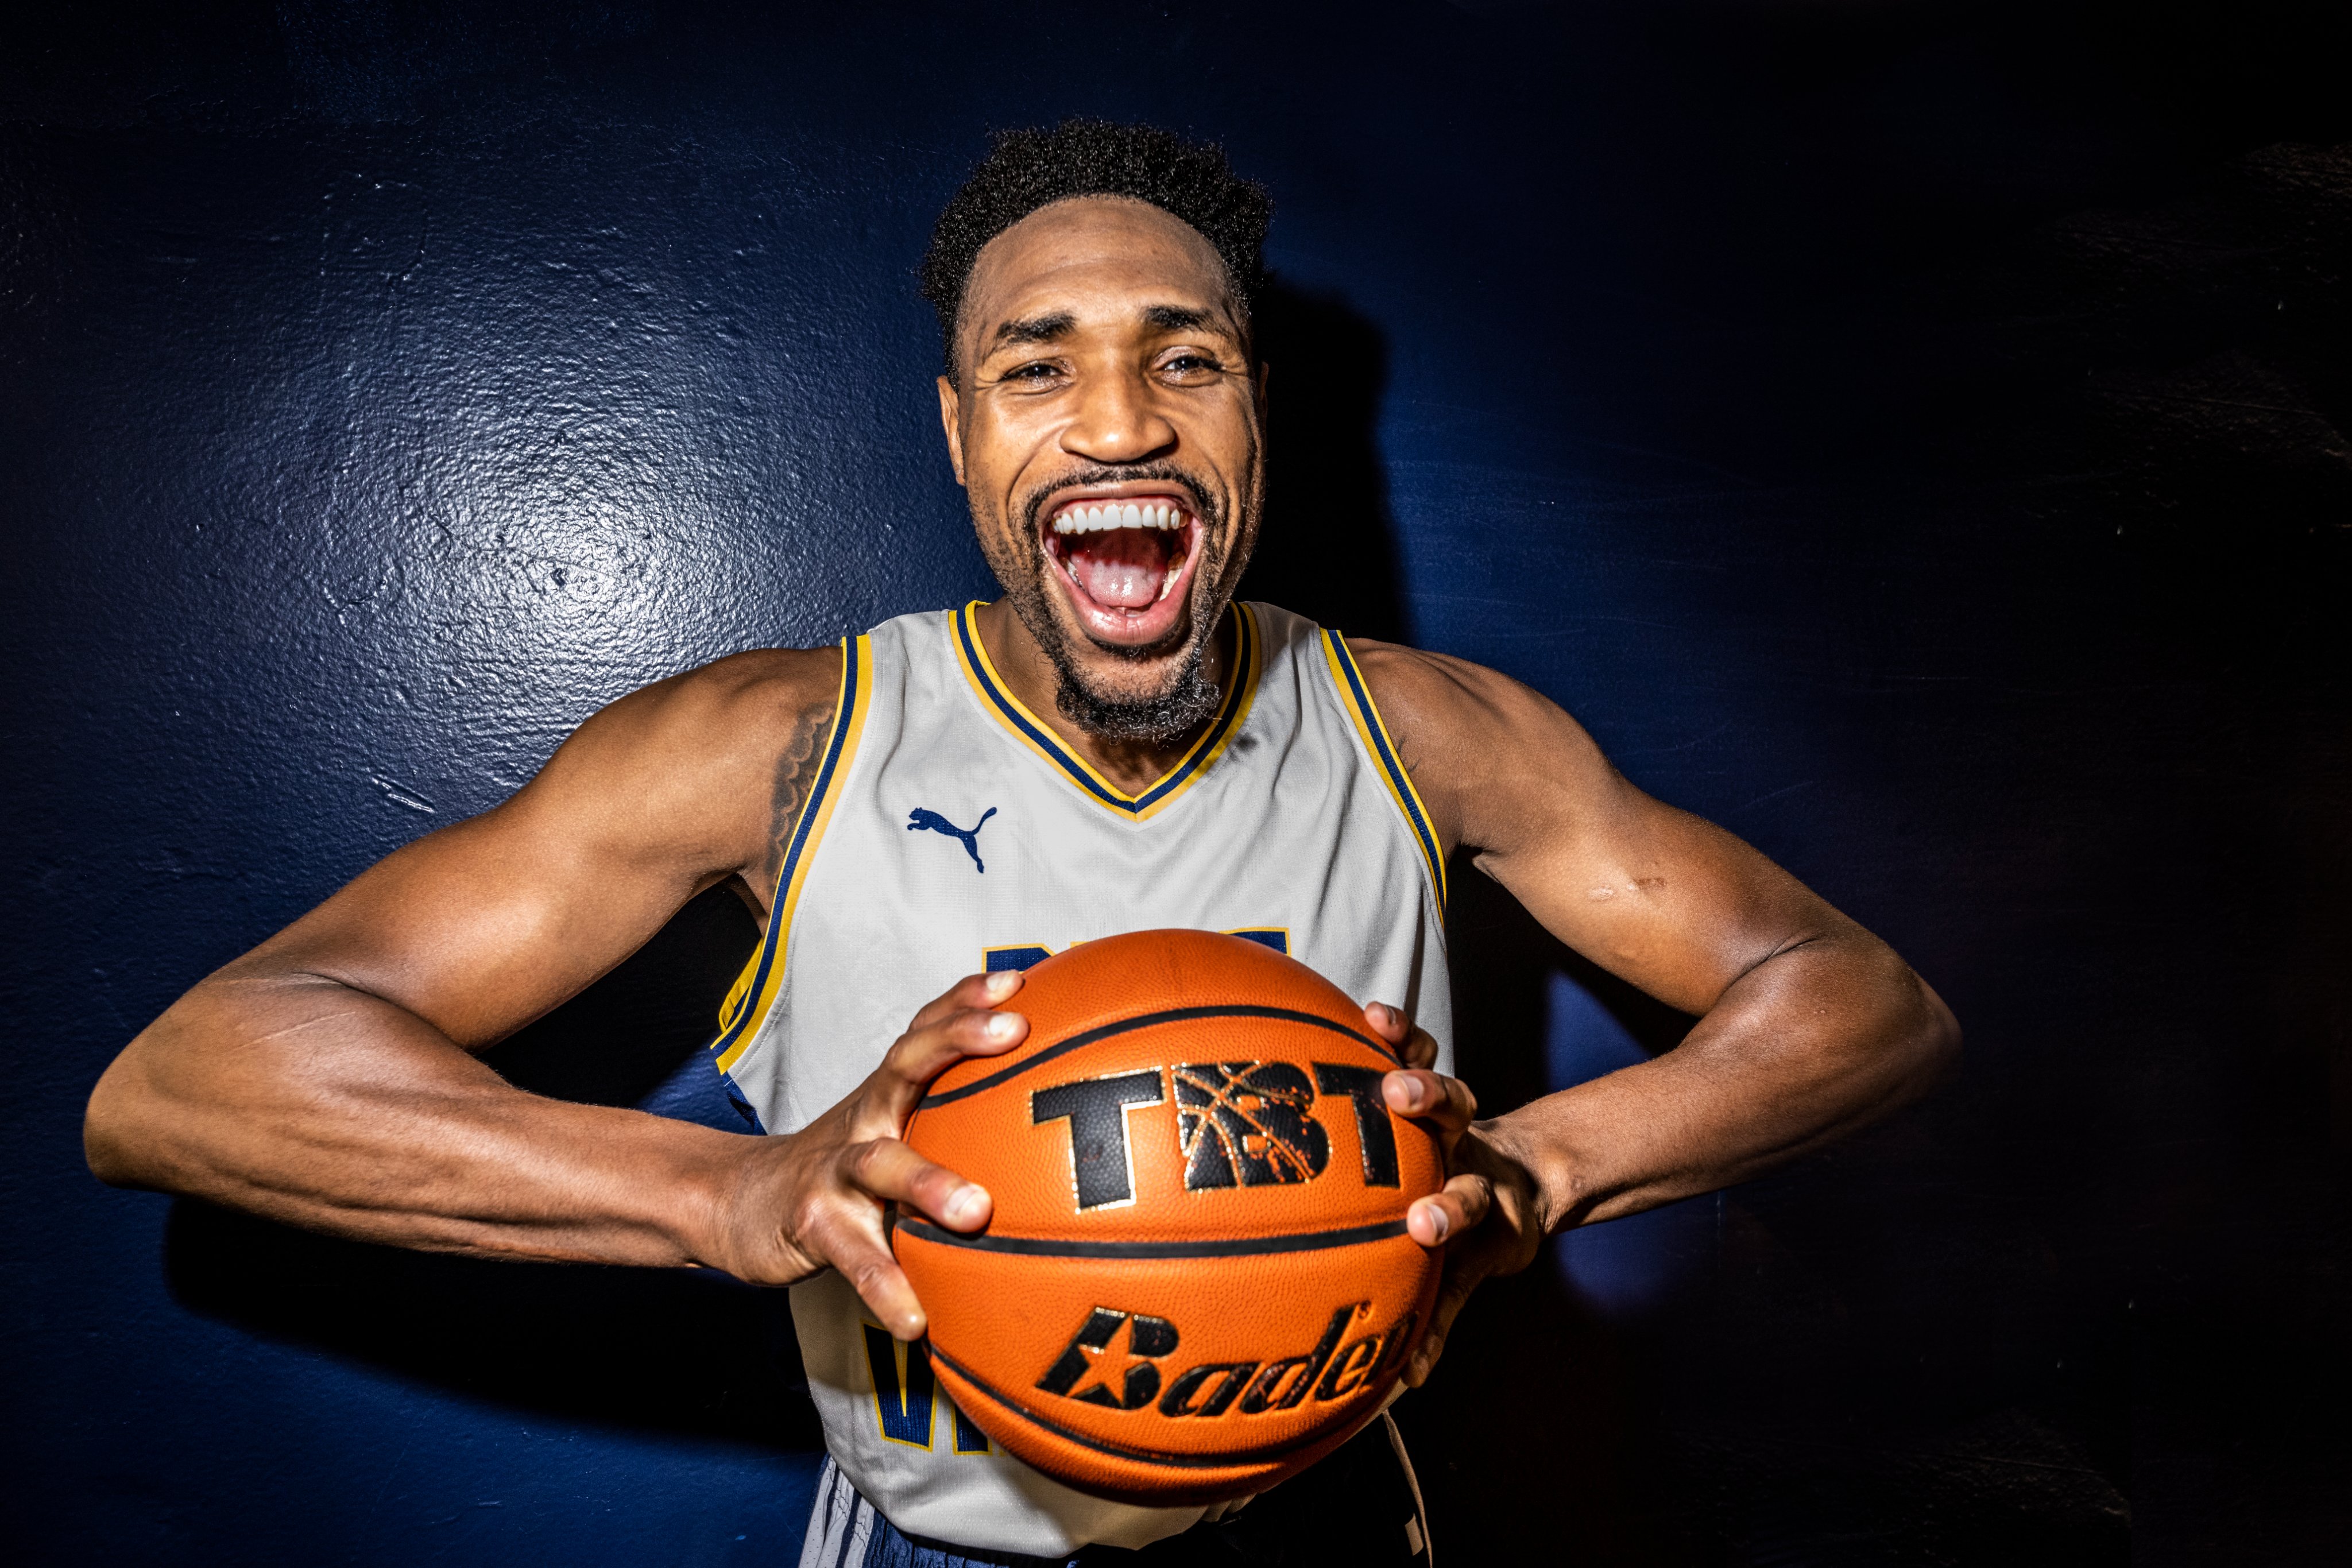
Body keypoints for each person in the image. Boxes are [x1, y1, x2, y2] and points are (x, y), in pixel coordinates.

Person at [84, 121, 1958, 1566]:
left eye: (1187, 356)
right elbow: (186, 1080)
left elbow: (1870, 1003)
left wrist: (1536, 1174)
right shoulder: (782, 744)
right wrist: (715, 1195)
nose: (1120, 417)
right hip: (927, 1539)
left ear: (1254, 416)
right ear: (965, 434)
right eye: (1039, 365)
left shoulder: (1428, 730)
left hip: (1315, 1521)